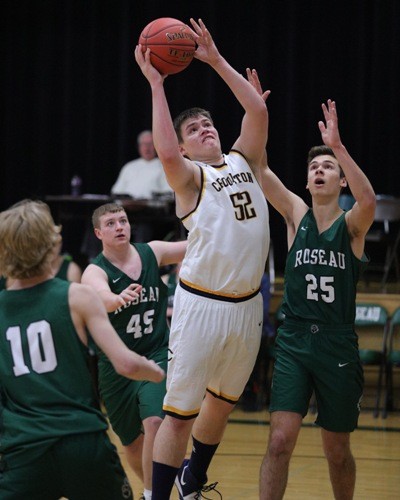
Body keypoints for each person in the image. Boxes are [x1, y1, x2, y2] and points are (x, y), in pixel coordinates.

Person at [135, 18, 270, 499]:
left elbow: (256, 108)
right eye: (193, 129)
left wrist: (214, 60)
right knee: (180, 415)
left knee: (222, 404)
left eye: (207, 123)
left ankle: (192, 480)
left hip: (248, 305)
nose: (204, 129)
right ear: (185, 145)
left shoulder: (244, 160)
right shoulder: (190, 178)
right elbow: (166, 154)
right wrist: (157, 84)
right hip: (202, 305)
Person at [0, 199, 165, 500]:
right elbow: (127, 364)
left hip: (24, 447)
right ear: (52, 244)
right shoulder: (78, 296)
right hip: (82, 441)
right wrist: (155, 372)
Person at [259, 99, 376, 499]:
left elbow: (368, 201)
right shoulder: (296, 214)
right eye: (314, 168)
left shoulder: (352, 225)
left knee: (337, 451)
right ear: (307, 182)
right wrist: (258, 114)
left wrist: (338, 146)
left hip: (336, 343)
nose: (320, 171)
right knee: (279, 441)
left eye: (328, 167)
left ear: (342, 182)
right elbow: (260, 170)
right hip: (294, 340)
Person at [81, 202, 187, 500]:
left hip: (156, 354)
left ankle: (152, 495)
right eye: (111, 223)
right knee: (131, 444)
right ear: (99, 233)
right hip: (117, 366)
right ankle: (166, 485)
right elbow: (100, 296)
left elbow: (194, 246)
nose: (119, 227)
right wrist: (116, 299)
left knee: (155, 422)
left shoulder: (152, 251)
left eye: (123, 221)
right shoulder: (94, 271)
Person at [111, 130, 174, 243]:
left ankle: (140, 254)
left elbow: (169, 196)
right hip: (126, 210)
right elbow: (116, 192)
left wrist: (145, 204)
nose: (147, 148)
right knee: (100, 218)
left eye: (150, 144)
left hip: (151, 212)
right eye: (144, 144)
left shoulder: (164, 166)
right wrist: (127, 203)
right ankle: (93, 253)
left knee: (144, 224)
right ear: (139, 147)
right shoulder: (129, 167)